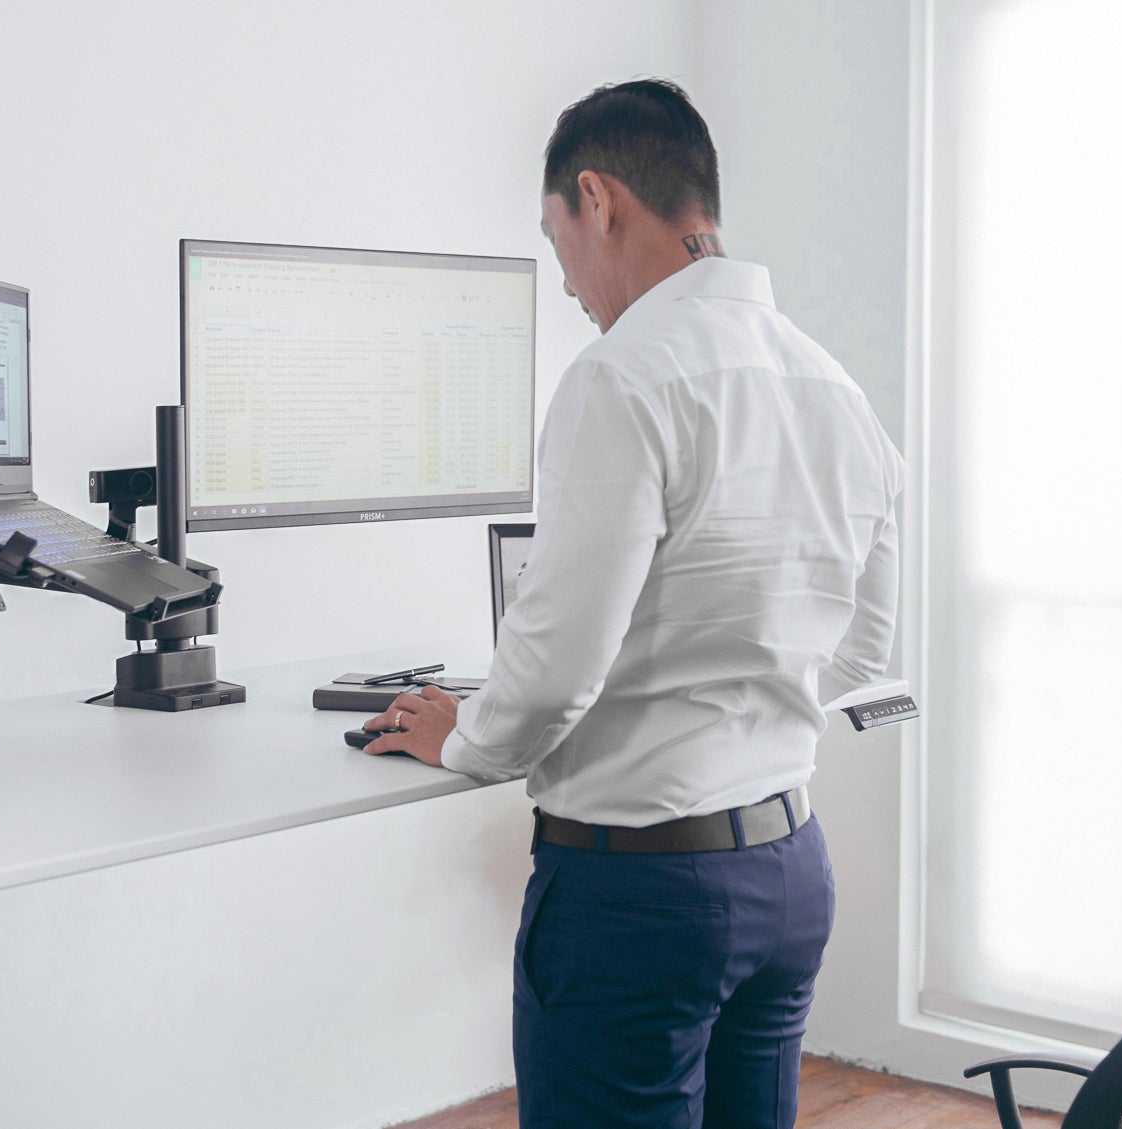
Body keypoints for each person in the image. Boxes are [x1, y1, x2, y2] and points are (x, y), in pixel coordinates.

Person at [363, 78, 903, 1128]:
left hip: (641, 897)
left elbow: (558, 664)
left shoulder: (621, 377)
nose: (565, 279)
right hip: (789, 870)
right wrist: (733, 707)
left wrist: (462, 736)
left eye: (555, 236)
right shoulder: (836, 388)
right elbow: (864, 648)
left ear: (599, 200)